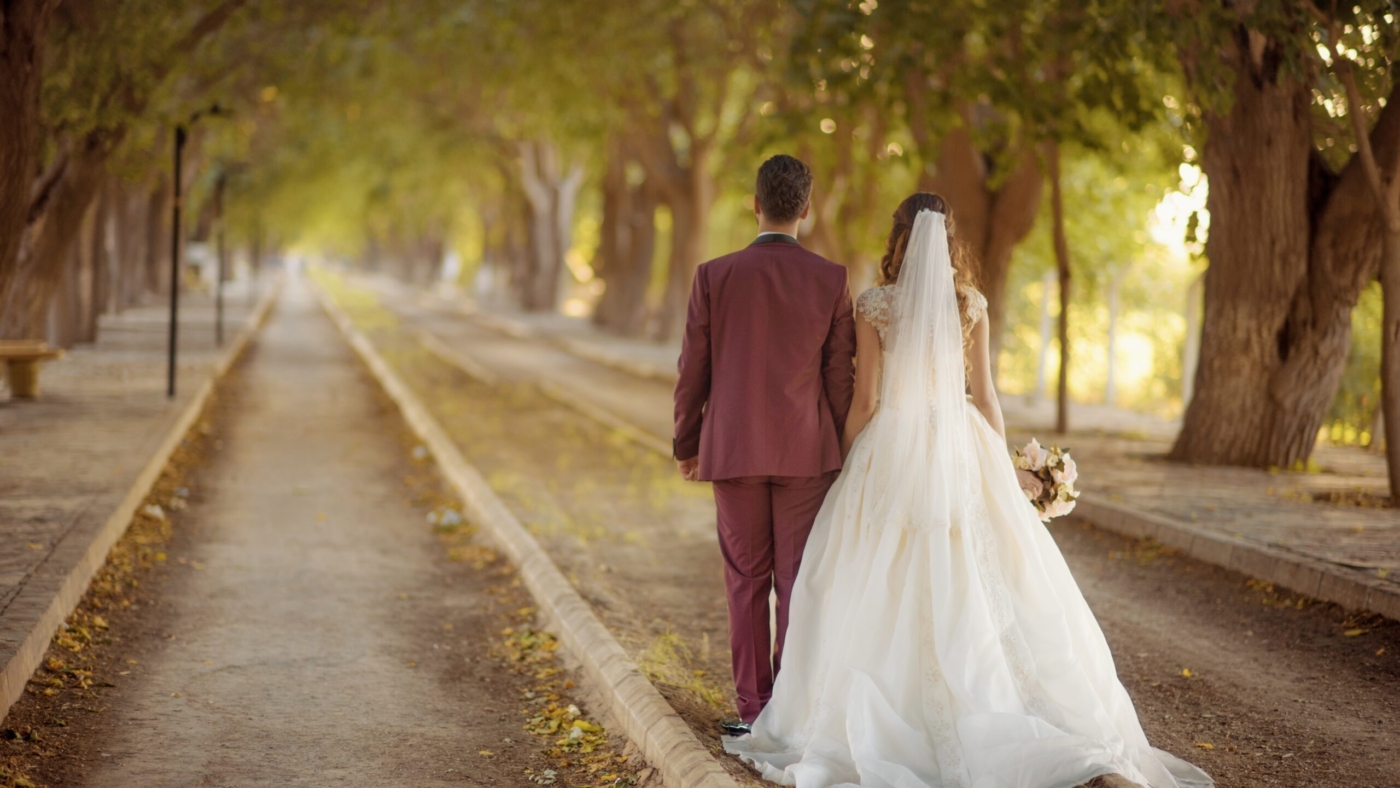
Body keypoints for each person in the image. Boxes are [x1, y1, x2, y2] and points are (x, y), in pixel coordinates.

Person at [721, 193, 1214, 788]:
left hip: (891, 445)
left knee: (873, 573)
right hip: (959, 444)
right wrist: (1002, 470)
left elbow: (867, 399)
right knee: (976, 572)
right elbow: (985, 396)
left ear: (898, 239)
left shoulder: (874, 306)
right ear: (948, 240)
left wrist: (846, 461)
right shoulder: (970, 304)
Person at [673, 154, 856, 734]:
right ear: (807, 209)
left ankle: (754, 711)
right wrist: (842, 451)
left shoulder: (714, 275)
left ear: (755, 205)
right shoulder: (831, 279)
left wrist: (686, 443)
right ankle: (793, 713)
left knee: (746, 581)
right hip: (807, 455)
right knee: (798, 583)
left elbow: (692, 370)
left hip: (733, 450)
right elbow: (839, 379)